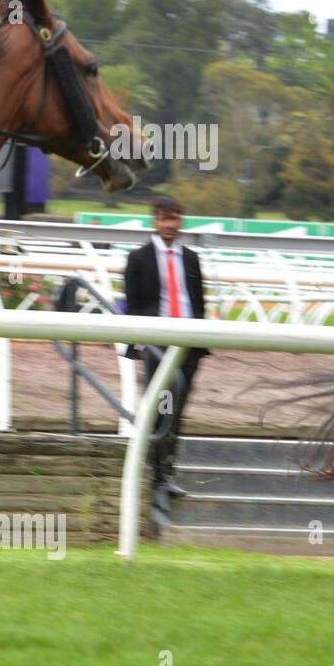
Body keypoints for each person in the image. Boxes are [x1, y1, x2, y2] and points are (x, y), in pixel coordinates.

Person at [123, 196, 209, 520]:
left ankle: (167, 473)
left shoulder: (191, 258)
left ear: (181, 221)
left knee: (178, 410)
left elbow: (198, 300)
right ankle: (156, 476)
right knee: (161, 409)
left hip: (188, 344)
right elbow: (132, 304)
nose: (170, 225)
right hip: (156, 344)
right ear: (154, 222)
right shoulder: (138, 259)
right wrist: (138, 343)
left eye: (174, 219)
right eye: (164, 219)